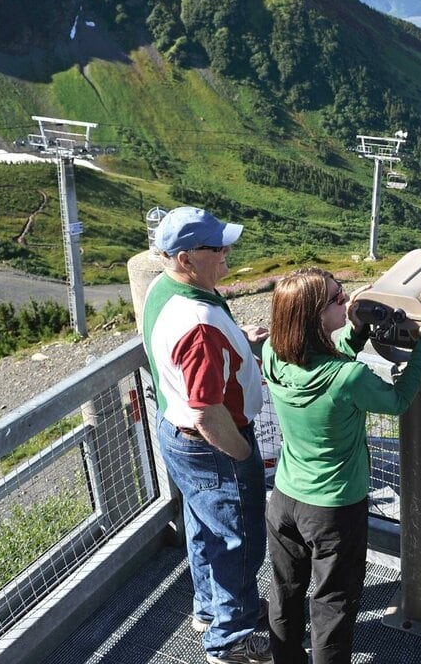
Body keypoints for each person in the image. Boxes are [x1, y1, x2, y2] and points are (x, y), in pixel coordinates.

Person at [261, 268, 421, 664]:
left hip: (285, 499)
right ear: (314, 315)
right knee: (332, 607)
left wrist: (358, 329)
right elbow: (397, 401)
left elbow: (325, 359)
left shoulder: (273, 355)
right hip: (333, 509)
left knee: (286, 594)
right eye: (338, 299)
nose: (347, 302)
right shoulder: (349, 377)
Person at [141, 206, 271, 664]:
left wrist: (236, 339)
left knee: (204, 526)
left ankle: (210, 609)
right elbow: (206, 411)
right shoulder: (198, 324)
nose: (227, 252)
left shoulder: (166, 289)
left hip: (176, 433)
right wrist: (240, 453)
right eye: (216, 247)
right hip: (214, 443)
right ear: (184, 258)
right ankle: (230, 640)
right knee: (239, 540)